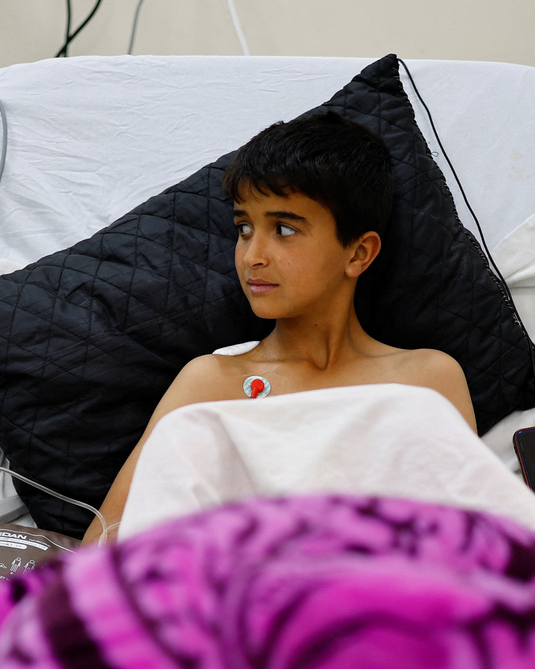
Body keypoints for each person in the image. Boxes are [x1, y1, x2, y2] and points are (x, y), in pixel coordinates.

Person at [84, 112, 477, 542]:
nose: (253, 255)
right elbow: (104, 542)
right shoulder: (211, 382)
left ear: (358, 253)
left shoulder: (426, 381)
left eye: (284, 229)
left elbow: (468, 546)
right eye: (243, 228)